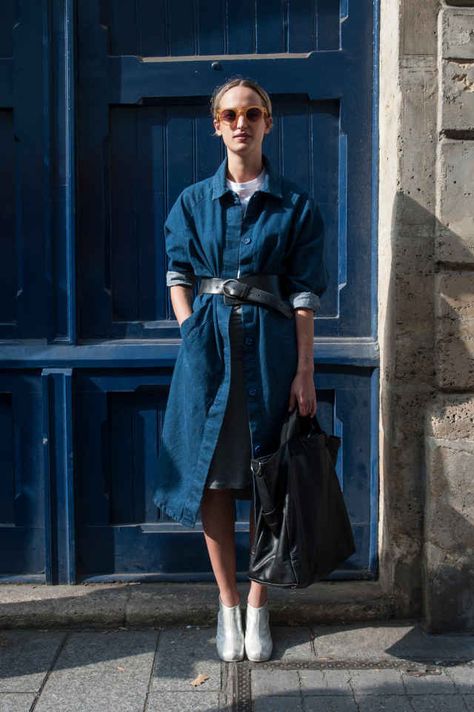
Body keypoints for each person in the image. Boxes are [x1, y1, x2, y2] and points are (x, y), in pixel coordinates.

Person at [152, 77, 328, 663]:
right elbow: (177, 272)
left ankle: (259, 604)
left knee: (269, 480)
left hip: (272, 354)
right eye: (230, 114)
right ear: (216, 125)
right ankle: (226, 604)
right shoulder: (192, 202)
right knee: (213, 479)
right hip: (208, 355)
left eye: (253, 113)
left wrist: (304, 370)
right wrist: (189, 331)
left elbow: (304, 295)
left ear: (268, 123)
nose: (241, 123)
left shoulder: (296, 205)